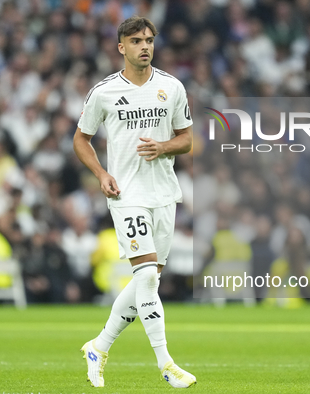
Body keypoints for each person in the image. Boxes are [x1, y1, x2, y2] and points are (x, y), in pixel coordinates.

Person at [72, 17, 196, 388]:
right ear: (121, 47)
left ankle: (99, 345)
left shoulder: (172, 88)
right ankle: (166, 363)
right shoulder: (105, 91)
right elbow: (81, 139)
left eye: (150, 40)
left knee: (149, 282)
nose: (145, 46)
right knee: (144, 276)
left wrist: (163, 147)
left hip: (164, 193)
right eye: (137, 40)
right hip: (126, 196)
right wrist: (100, 174)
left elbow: (186, 139)